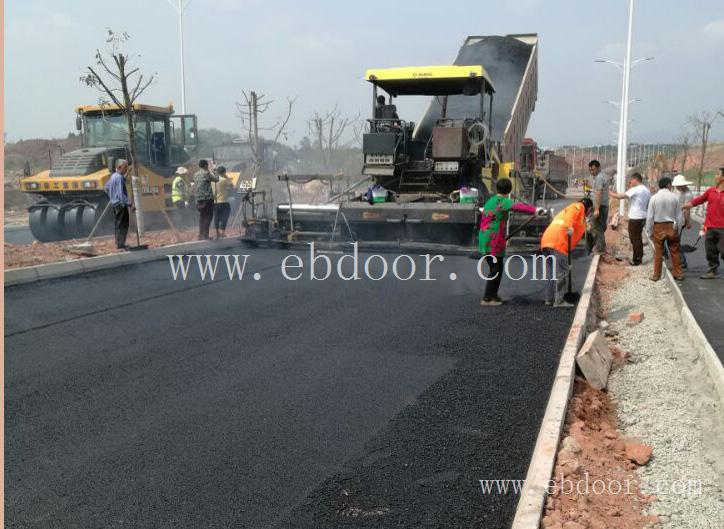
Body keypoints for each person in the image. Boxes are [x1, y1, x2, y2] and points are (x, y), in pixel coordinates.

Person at [478, 178, 546, 306]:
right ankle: (487, 298)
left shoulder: (490, 201)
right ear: (509, 190)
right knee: (495, 268)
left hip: (484, 238)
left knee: (498, 267)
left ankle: (493, 295)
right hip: (493, 240)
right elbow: (518, 207)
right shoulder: (502, 202)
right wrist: (536, 210)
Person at [540, 198, 594, 308]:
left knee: (551, 272)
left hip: (547, 241)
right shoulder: (578, 207)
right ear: (589, 208)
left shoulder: (567, 211)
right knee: (562, 271)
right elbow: (571, 220)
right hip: (559, 242)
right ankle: (559, 301)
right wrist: (569, 228)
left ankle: (549, 299)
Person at [683, 167, 724, 279]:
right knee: (710, 250)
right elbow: (699, 200)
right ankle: (712, 270)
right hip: (710, 226)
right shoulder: (711, 191)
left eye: (717, 174)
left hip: (723, 228)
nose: (715, 176)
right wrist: (685, 205)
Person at [646, 176, 684, 282]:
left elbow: (649, 217)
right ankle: (678, 273)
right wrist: (679, 229)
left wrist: (649, 231)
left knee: (658, 252)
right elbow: (679, 216)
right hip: (672, 226)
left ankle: (656, 275)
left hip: (658, 227)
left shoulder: (654, 198)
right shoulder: (675, 197)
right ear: (668, 185)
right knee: (675, 251)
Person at [609, 172, 651, 265]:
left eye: (631, 180)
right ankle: (639, 256)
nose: (630, 182)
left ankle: (637, 260)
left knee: (634, 238)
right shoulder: (646, 190)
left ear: (636, 179)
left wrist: (610, 193)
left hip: (635, 217)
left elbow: (620, 197)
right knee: (638, 238)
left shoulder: (636, 189)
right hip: (643, 216)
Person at [104, 158, 133, 250]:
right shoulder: (119, 177)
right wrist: (129, 203)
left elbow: (106, 187)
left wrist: (112, 197)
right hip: (121, 205)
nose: (126, 170)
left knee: (118, 224)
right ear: (120, 167)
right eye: (125, 168)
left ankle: (119, 243)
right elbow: (121, 193)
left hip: (115, 204)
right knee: (123, 224)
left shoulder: (113, 176)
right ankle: (121, 244)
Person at [672, 174, 694, 269]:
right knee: (676, 241)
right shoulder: (681, 192)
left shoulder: (688, 195)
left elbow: (687, 210)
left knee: (675, 241)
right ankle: (681, 260)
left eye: (678, 186)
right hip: (678, 217)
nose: (677, 187)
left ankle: (682, 261)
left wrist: (688, 221)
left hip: (681, 219)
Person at [192, 159, 219, 240]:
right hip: (207, 198)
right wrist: (215, 170)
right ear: (205, 166)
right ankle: (205, 235)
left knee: (202, 217)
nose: (207, 166)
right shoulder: (206, 173)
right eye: (207, 165)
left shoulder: (195, 174)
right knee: (208, 217)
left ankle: (200, 235)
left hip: (198, 198)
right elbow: (216, 179)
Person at [589, 160, 610, 254]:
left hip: (600, 206)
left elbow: (599, 193)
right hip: (604, 205)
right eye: (590, 170)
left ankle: (599, 249)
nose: (591, 172)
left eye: (593, 170)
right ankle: (602, 245)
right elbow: (596, 190)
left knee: (596, 227)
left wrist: (596, 209)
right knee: (601, 226)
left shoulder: (599, 178)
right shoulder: (603, 176)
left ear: (598, 167)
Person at [213, 166, 233, 239]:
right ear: (224, 172)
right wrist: (226, 177)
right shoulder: (224, 180)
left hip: (215, 202)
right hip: (223, 201)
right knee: (225, 217)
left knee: (216, 217)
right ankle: (222, 233)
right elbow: (232, 185)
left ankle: (217, 233)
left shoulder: (214, 180)